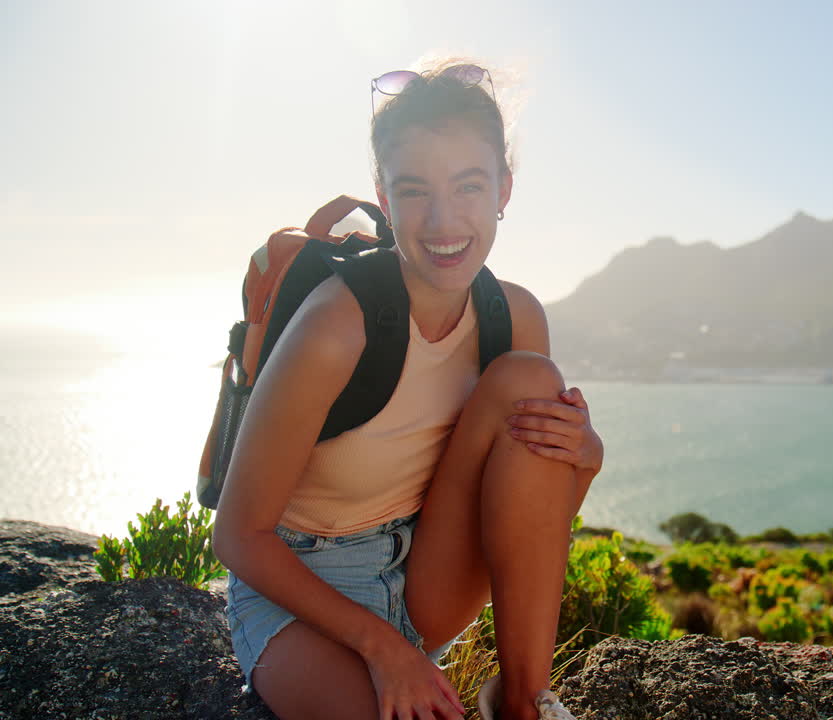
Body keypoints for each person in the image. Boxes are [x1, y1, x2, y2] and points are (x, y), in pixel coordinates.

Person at [213, 59, 602, 720]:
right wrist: (385, 651)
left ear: (504, 188)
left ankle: (521, 705)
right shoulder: (336, 327)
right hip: (298, 588)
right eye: (415, 190)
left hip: (424, 572)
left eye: (469, 186)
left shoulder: (516, 318)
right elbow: (237, 536)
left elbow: (527, 514)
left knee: (531, 383)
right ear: (385, 198)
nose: (443, 220)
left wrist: (583, 460)